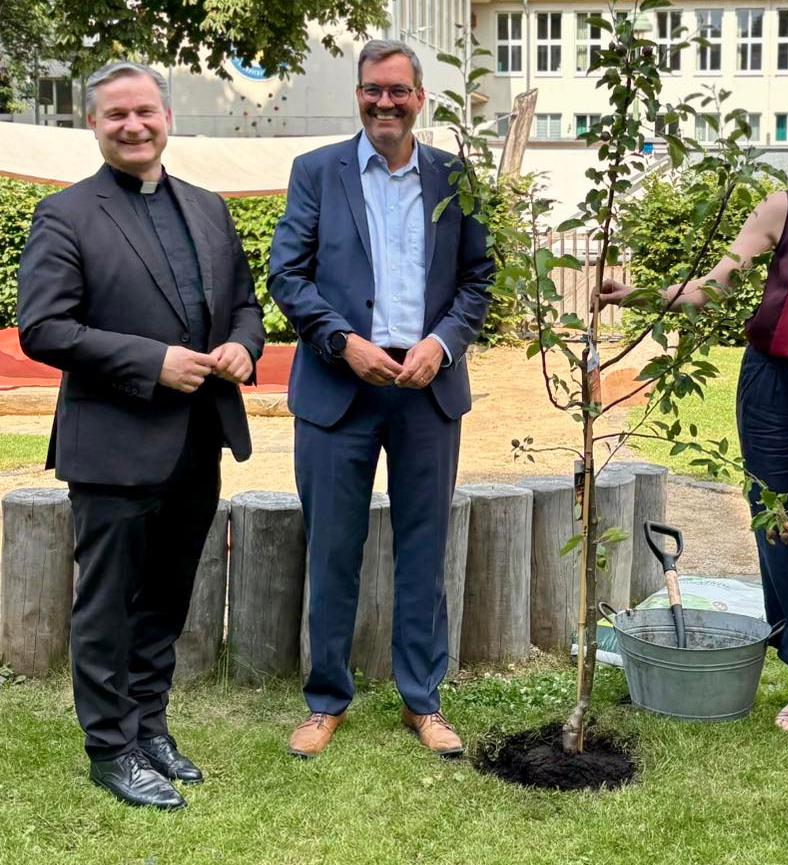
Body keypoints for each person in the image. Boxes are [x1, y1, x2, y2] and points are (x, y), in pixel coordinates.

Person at [603, 82, 788, 742]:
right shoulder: (782, 208)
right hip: (774, 389)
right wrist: (635, 293)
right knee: (780, 530)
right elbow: (711, 287)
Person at [17, 61, 265, 810]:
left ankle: (149, 724)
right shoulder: (64, 215)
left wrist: (244, 347)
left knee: (165, 597)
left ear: (167, 117)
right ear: (92, 124)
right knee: (107, 603)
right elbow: (44, 327)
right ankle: (109, 747)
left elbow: (247, 305)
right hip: (113, 442)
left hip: (198, 439)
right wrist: (151, 362)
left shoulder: (210, 208)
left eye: (145, 112)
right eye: (116, 114)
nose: (133, 125)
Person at [268, 39, 492, 759]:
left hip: (427, 390)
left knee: (424, 550)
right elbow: (288, 274)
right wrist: (341, 342)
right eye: (372, 90)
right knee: (333, 547)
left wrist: (443, 342)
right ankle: (326, 699)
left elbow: (478, 279)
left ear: (420, 98)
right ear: (358, 94)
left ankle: (422, 701)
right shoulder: (316, 172)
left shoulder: (456, 177)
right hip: (340, 390)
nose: (384, 103)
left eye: (398, 91)